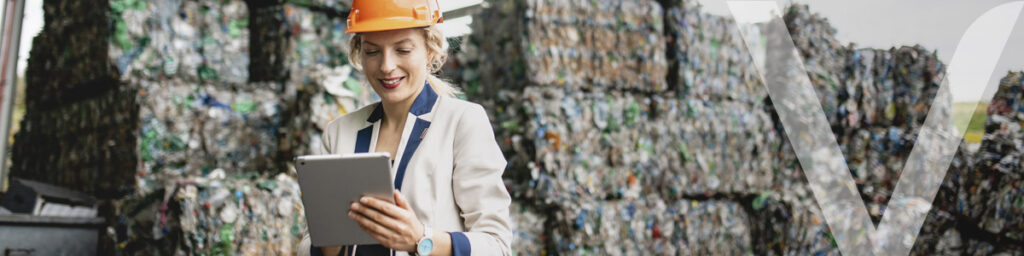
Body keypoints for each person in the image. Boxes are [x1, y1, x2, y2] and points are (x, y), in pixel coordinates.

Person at [299, 0, 513, 255]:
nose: (386, 66)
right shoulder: (339, 132)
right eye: (372, 52)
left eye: (402, 50)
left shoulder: (462, 123)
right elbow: (308, 243)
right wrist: (330, 240)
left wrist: (420, 239)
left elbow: (496, 246)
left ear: (430, 50)